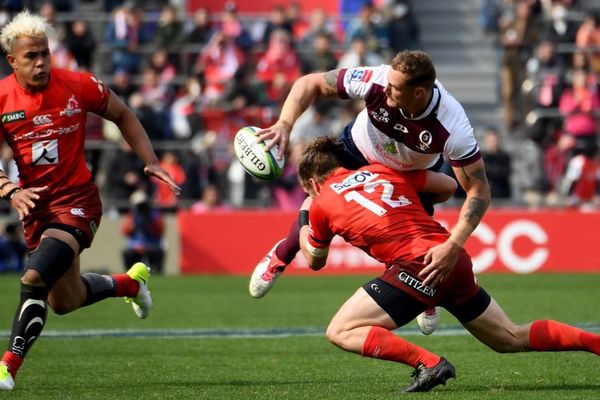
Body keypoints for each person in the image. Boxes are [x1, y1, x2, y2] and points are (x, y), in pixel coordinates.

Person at [295, 136, 600, 392]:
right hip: (451, 255)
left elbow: (314, 259)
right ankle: (595, 343)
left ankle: (428, 363)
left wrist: (305, 217)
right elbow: (445, 185)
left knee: (341, 330)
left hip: (417, 266)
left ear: (312, 182)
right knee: (509, 337)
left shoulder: (321, 202)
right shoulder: (381, 170)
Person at [249, 50, 492, 337]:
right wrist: (284, 124)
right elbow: (309, 83)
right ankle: (281, 254)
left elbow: (478, 190)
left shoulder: (452, 126)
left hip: (406, 173)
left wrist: (454, 245)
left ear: (419, 93)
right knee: (319, 196)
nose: (385, 89)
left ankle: (429, 293)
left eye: (394, 87)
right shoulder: (376, 79)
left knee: (431, 208)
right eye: (387, 82)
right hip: (359, 151)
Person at [0, 11, 180, 391]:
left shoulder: (78, 85)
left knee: (33, 277)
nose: (41, 62)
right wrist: (11, 190)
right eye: (31, 56)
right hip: (36, 211)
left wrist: (149, 159)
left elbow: (122, 113)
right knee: (64, 300)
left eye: (45, 53)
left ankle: (7, 367)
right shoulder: (2, 98)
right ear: (12, 60)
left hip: (78, 203)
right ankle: (130, 285)